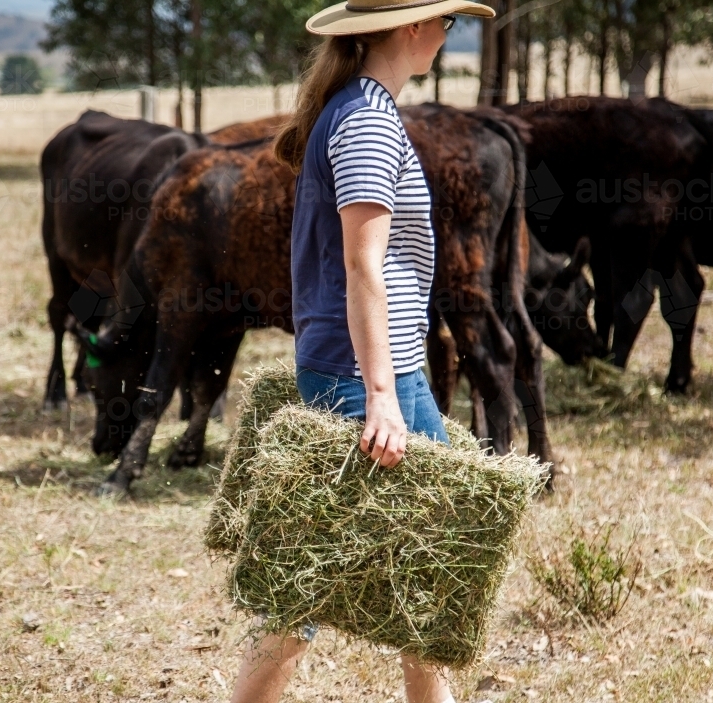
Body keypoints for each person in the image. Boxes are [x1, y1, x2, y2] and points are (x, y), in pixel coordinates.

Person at [228, 0, 494, 701]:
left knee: (429, 563)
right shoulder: (369, 121)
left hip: (383, 367)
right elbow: (362, 265)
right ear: (412, 29)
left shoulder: (357, 108)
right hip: (364, 375)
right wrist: (380, 392)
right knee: (310, 583)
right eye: (447, 22)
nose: (446, 34)